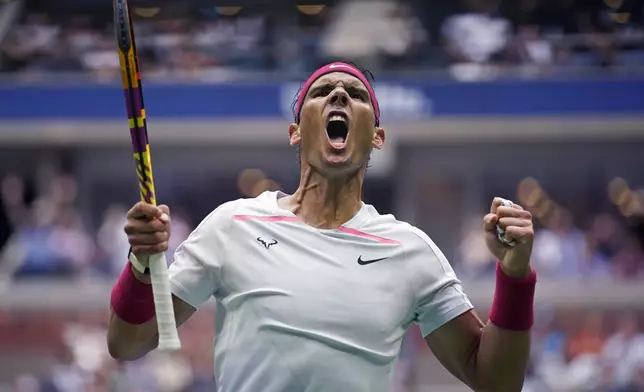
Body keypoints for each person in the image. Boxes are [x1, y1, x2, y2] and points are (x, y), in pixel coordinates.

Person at [107, 62, 537, 392]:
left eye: (355, 94)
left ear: (378, 137)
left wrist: (515, 277)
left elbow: (495, 381)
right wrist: (141, 265)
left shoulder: (411, 251)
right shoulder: (232, 225)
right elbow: (128, 344)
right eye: (321, 92)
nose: (338, 94)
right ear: (295, 132)